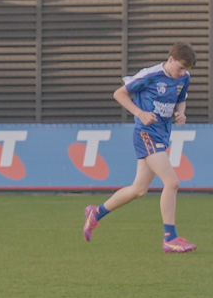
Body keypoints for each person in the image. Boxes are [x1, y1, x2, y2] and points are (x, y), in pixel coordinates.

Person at [84, 42, 197, 253]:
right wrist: (140, 113)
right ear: (170, 59)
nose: (183, 72)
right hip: (146, 134)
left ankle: (96, 213)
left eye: (186, 69)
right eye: (180, 67)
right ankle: (170, 239)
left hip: (163, 135)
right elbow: (119, 94)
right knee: (172, 182)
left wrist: (181, 113)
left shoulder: (184, 78)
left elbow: (181, 99)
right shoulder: (150, 75)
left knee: (138, 190)